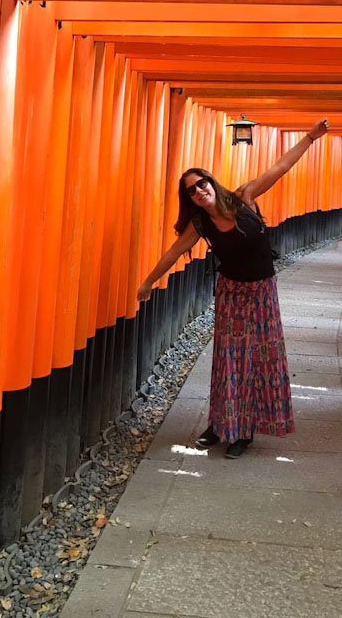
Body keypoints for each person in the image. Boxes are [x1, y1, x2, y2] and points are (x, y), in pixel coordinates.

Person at [137, 118, 329, 458]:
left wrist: (310, 138)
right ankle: (220, 425)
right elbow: (173, 252)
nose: (199, 191)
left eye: (202, 183)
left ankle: (245, 431)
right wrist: (149, 282)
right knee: (227, 361)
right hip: (231, 294)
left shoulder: (245, 198)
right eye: (192, 191)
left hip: (262, 294)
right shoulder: (200, 224)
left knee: (258, 360)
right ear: (191, 199)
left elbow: (281, 167)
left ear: (211, 181)